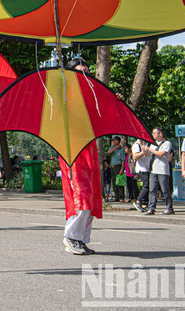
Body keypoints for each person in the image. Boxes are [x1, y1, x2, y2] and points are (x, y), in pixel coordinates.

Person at [60, 58, 104, 255]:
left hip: (90, 149)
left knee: (92, 195)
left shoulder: (94, 95)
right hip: (72, 149)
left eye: (87, 71)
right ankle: (71, 236)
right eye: (79, 72)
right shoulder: (63, 95)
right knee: (80, 194)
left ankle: (81, 239)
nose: (84, 75)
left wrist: (114, 101)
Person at [144, 127, 174, 215]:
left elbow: (160, 154)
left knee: (165, 190)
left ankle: (169, 208)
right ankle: (151, 208)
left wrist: (149, 149)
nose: (153, 135)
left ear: (160, 134)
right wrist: (144, 150)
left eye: (154, 133)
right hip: (153, 170)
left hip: (163, 170)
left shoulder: (167, 143)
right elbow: (147, 155)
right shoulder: (153, 144)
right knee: (152, 189)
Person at [131, 138, 153, 212]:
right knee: (147, 185)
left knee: (149, 186)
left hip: (148, 168)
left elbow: (147, 155)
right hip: (141, 169)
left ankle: (145, 203)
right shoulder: (136, 145)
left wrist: (146, 150)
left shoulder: (146, 144)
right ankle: (138, 201)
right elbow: (135, 156)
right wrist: (142, 152)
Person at [107, 136, 125, 201]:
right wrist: (114, 148)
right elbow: (108, 152)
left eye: (114, 140)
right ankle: (116, 197)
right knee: (114, 182)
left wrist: (122, 169)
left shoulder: (122, 149)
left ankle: (121, 197)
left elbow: (123, 159)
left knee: (119, 182)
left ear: (117, 141)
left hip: (118, 166)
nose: (113, 142)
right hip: (113, 166)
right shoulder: (112, 148)